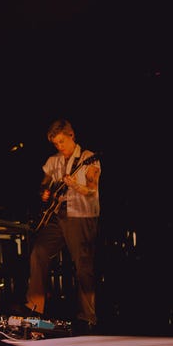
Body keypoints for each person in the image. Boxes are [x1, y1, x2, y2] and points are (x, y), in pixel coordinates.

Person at [23, 118, 101, 334]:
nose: (59, 146)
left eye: (61, 142)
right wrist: (44, 192)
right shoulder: (53, 161)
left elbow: (92, 190)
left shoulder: (88, 159)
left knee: (83, 266)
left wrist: (75, 184)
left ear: (71, 135)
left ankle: (88, 316)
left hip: (82, 216)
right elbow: (44, 184)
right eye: (56, 143)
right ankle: (35, 308)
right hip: (58, 217)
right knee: (38, 253)